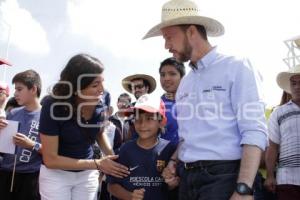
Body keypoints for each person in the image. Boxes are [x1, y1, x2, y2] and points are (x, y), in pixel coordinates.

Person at [143, 0, 268, 199]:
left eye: (168, 37)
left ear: (191, 32)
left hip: (225, 178)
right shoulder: (185, 83)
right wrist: (174, 163)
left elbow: (254, 130)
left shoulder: (236, 66)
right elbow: (186, 137)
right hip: (187, 181)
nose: (166, 45)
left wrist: (243, 189)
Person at [38, 54, 129, 200]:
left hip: (87, 174)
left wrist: (110, 156)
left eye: (102, 82)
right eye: (95, 85)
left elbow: (98, 132)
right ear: (75, 88)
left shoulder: (100, 104)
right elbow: (50, 160)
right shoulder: (53, 106)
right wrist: (98, 164)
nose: (102, 89)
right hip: (56, 174)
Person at [107, 94, 177, 200]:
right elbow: (112, 186)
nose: (142, 124)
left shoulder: (170, 150)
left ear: (161, 122)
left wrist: (173, 183)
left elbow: (176, 185)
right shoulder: (125, 150)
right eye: (138, 118)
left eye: (149, 118)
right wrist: (130, 196)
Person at [0, 69, 42, 200]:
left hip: (30, 177)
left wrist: (31, 145)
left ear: (33, 89)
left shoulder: (47, 117)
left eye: (19, 89)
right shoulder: (13, 113)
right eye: (15, 89)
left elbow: (54, 151)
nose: (15, 93)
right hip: (5, 173)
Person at [264, 65, 300, 200]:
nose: (297, 86)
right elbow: (272, 147)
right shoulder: (278, 112)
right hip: (287, 180)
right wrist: (270, 176)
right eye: (293, 83)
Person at [159, 57, 185, 145]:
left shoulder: (194, 103)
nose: (166, 78)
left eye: (172, 74)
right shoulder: (155, 105)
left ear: (182, 77)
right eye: (162, 75)